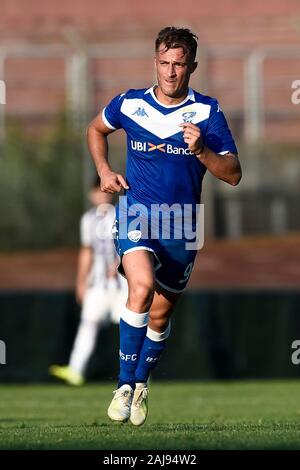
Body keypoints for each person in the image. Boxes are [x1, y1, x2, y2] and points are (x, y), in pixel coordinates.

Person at [87, 26, 242, 425]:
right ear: (155, 62)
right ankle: (123, 386)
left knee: (159, 317)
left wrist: (202, 150)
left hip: (185, 225)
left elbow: (234, 174)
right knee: (138, 288)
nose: (171, 72)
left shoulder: (208, 112)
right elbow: (96, 129)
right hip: (137, 213)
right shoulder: (129, 103)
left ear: (192, 66)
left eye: (179, 64)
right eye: (164, 63)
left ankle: (140, 384)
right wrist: (104, 169)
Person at [49, 178, 127, 386]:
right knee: (88, 324)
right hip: (98, 284)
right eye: (97, 191)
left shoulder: (121, 215)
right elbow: (87, 251)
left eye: (104, 190)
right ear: (91, 195)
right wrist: (81, 282)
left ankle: (139, 374)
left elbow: (132, 245)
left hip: (123, 283)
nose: (101, 195)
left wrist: (121, 264)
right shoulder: (87, 219)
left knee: (131, 327)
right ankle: (76, 370)